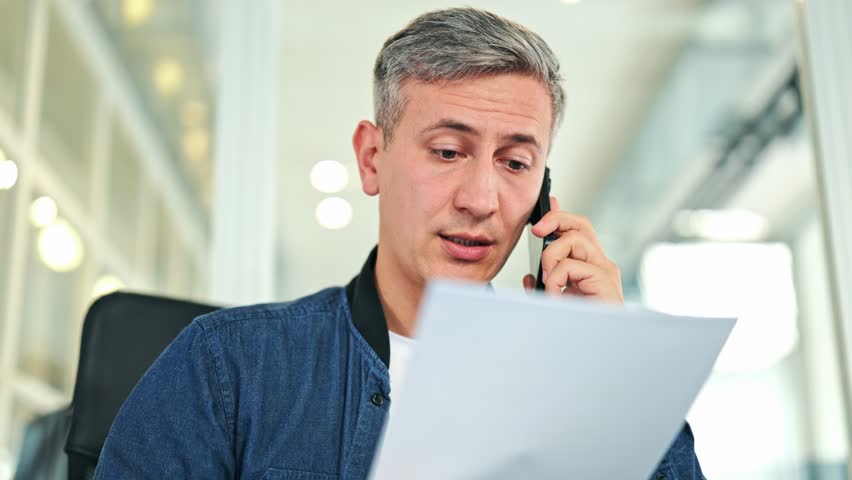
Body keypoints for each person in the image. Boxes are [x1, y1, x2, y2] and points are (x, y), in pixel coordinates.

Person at [95, 7, 704, 479]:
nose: (481, 198)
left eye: (516, 163)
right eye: (447, 151)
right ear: (371, 159)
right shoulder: (228, 367)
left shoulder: (582, 391)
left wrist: (612, 370)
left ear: (544, 194)